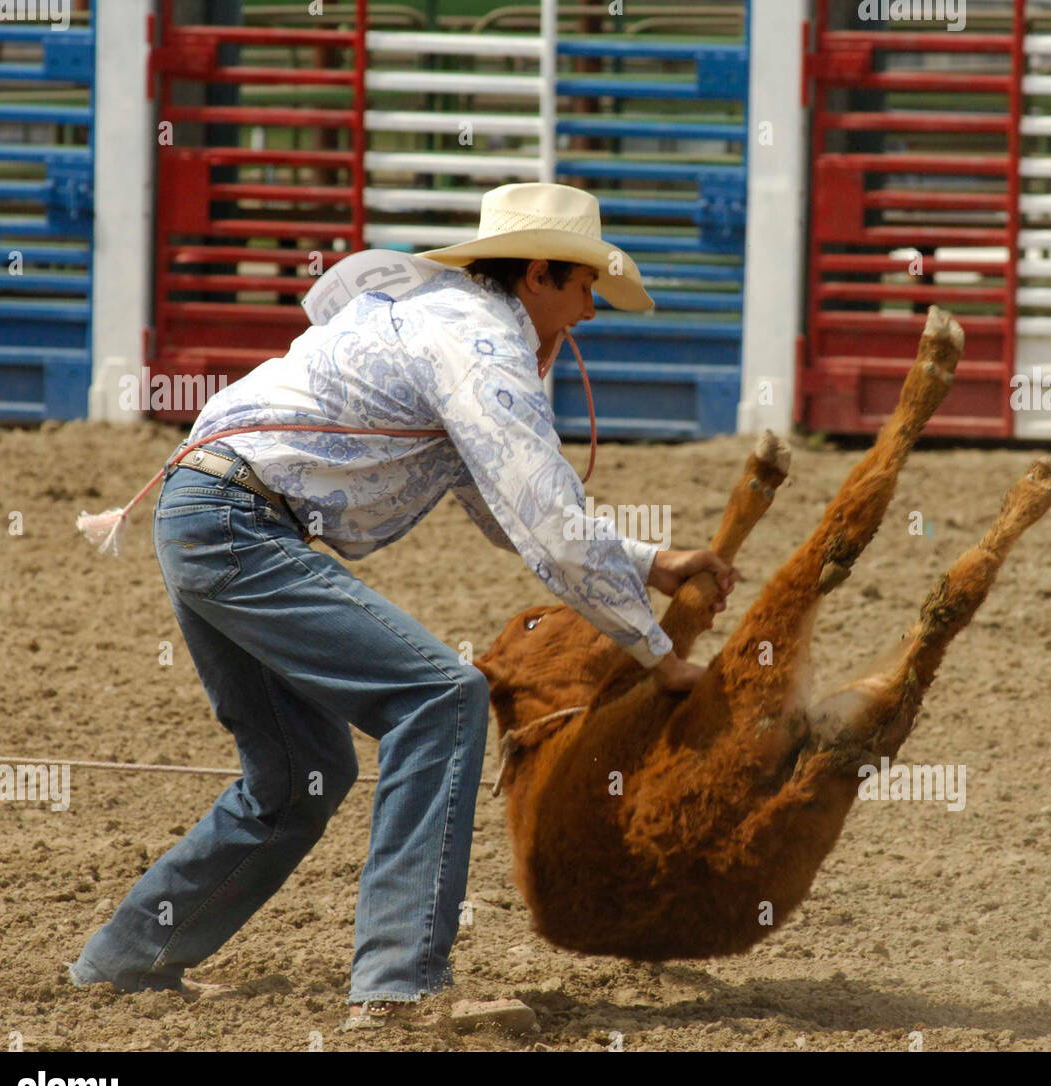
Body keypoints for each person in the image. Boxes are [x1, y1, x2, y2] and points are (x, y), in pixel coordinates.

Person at [68, 182, 737, 1030]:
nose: (592, 311)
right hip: (240, 523)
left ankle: (126, 961)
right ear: (538, 274)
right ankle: (398, 987)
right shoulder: (484, 350)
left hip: (206, 509)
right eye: (583, 287)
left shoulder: (439, 316)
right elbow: (551, 530)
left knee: (296, 777)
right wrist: (656, 651)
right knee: (442, 695)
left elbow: (507, 509)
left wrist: (655, 564)